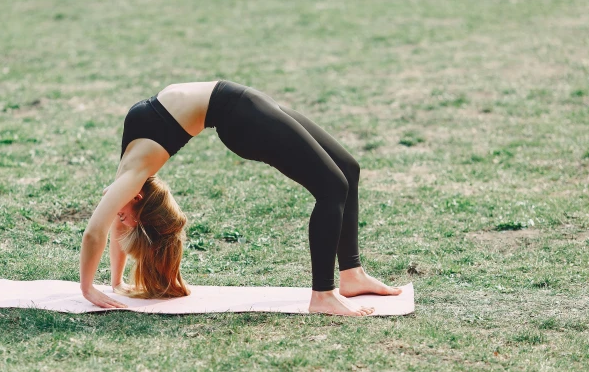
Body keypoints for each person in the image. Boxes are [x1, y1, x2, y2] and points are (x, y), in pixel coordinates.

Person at [79, 81, 401, 316]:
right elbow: (111, 228)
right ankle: (323, 294)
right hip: (240, 116)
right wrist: (109, 283)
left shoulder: (131, 176)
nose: (114, 218)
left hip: (244, 105)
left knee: (348, 169)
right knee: (332, 188)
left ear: (135, 198)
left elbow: (99, 231)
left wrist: (93, 286)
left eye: (119, 216)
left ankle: (352, 274)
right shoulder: (133, 179)